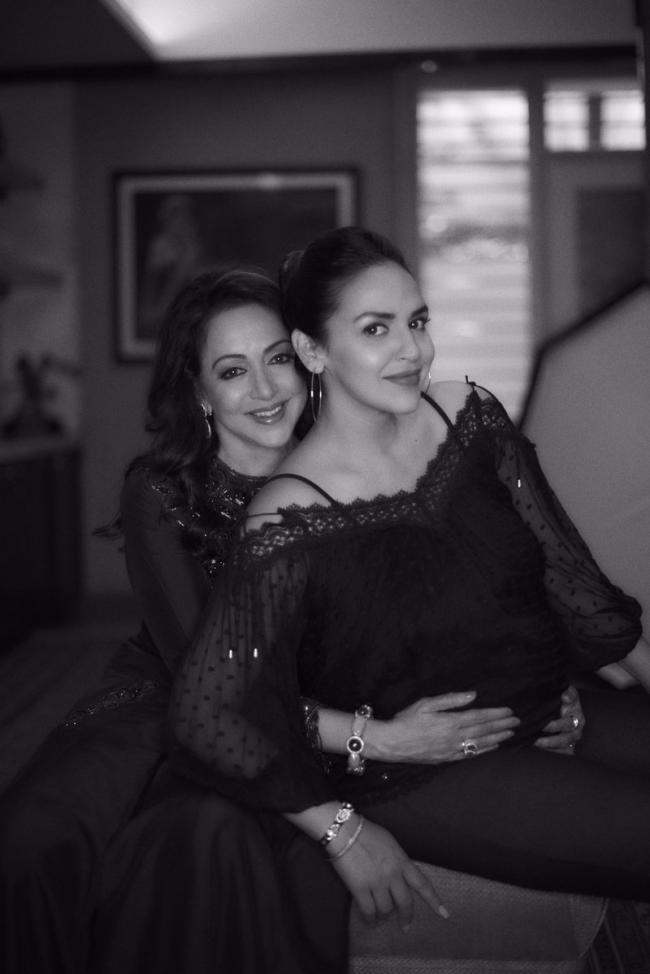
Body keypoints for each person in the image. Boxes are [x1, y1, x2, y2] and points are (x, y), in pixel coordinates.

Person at [171, 226, 650, 954]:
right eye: (376, 329)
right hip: (429, 775)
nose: (412, 350)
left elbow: (570, 582)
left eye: (417, 322)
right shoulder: (288, 515)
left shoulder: (468, 414)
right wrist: (340, 825)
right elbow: (209, 712)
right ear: (312, 350)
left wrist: (575, 680)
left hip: (553, 712)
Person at [0, 267, 314, 974]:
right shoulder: (161, 490)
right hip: (167, 691)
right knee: (30, 838)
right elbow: (201, 670)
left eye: (278, 359)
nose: (265, 389)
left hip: (299, 707)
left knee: (184, 852)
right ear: (200, 391)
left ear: (306, 360)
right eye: (233, 370)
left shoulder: (347, 473)